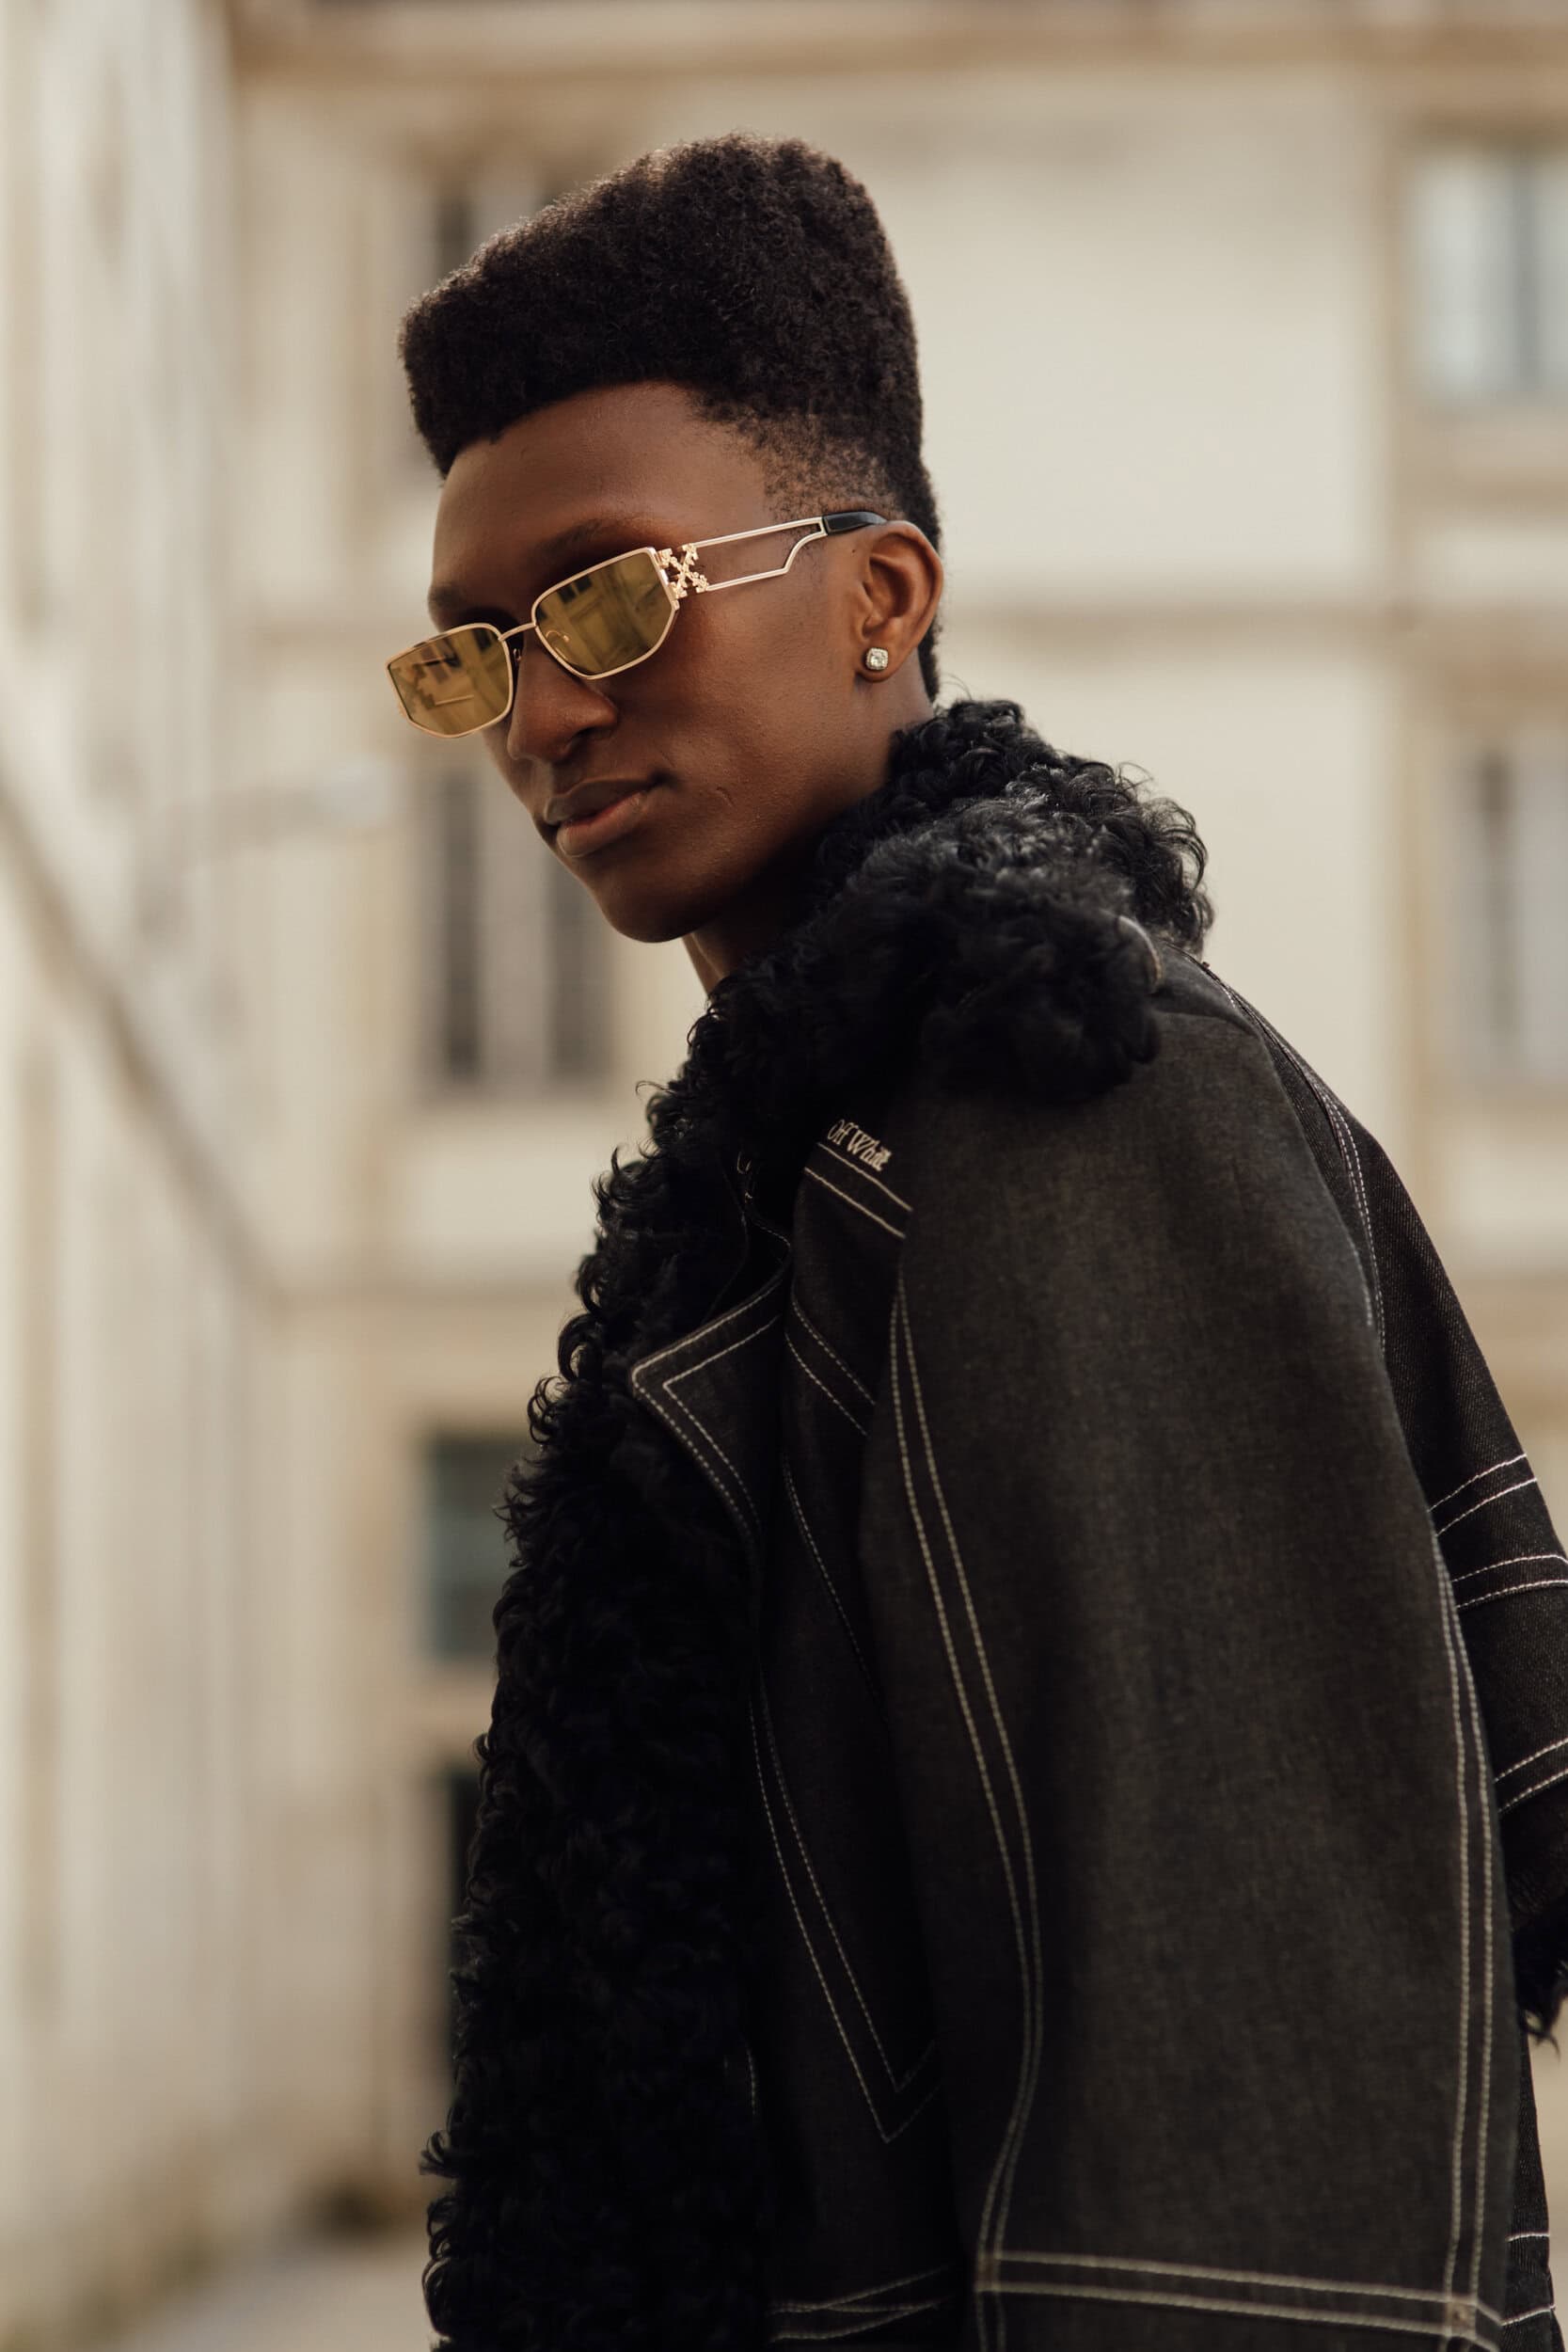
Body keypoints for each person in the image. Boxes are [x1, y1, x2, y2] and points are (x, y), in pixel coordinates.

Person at [388, 134, 1568, 2352]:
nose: (542, 716)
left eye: (612, 599)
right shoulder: (805, 1167)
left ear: (883, 593)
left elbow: (1242, 2181)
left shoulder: (1067, 1105)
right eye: (472, 657)